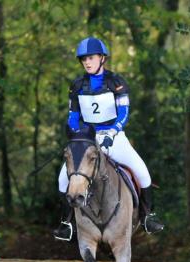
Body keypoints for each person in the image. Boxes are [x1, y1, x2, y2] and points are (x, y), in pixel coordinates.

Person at [53, 37, 164, 241]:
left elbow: (124, 113)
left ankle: (148, 216)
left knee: (142, 172)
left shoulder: (116, 82)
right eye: (84, 59)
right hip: (87, 140)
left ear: (102, 58)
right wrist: (77, 134)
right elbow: (73, 116)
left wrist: (112, 131)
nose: (87, 62)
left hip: (114, 136)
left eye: (91, 58)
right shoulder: (77, 85)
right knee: (62, 179)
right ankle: (66, 223)